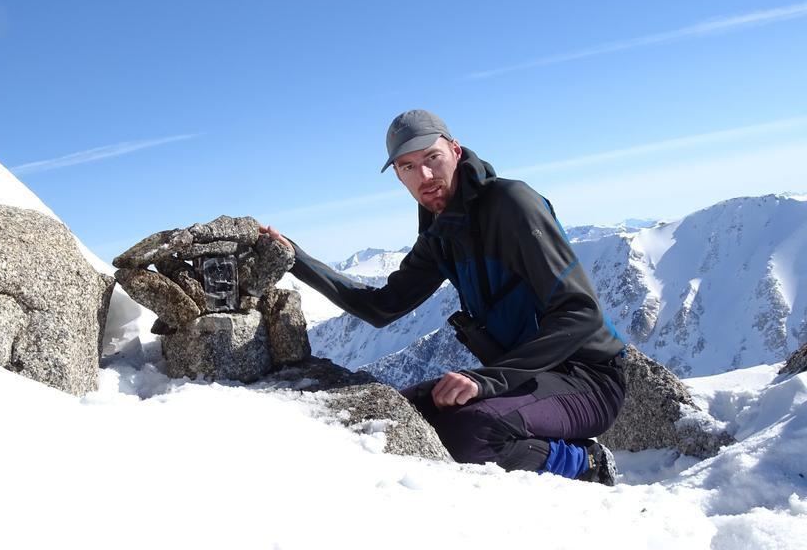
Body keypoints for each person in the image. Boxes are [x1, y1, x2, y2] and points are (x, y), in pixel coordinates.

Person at [260, 109, 627, 485]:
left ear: (455, 150)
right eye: (407, 167)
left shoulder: (513, 205)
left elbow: (581, 313)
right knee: (396, 413)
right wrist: (296, 258)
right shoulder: (441, 234)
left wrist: (489, 381)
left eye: (432, 158)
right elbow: (381, 307)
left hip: (589, 379)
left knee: (471, 432)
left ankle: (586, 463)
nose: (425, 177)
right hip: (526, 378)